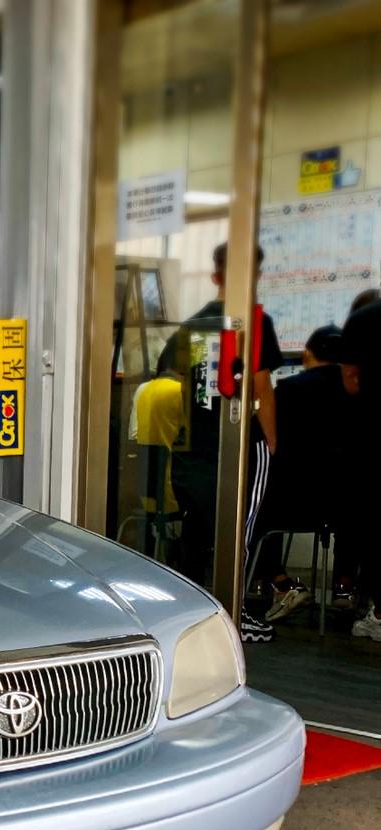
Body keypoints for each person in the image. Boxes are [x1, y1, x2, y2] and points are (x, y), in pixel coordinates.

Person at [156, 242, 284, 642]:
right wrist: (272, 442)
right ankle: (236, 611)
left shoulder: (195, 324)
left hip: (194, 447)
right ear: (256, 276)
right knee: (238, 532)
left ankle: (194, 616)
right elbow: (261, 385)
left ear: (215, 277)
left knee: (196, 532)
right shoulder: (252, 323)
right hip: (237, 446)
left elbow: (175, 382)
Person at [248, 325, 347, 622]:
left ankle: (280, 583)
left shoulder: (289, 390)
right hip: (342, 507)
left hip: (289, 503)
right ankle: (346, 590)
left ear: (306, 354)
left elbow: (260, 437)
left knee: (254, 509)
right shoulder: (354, 393)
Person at [334, 300, 381, 640]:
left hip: (372, 433)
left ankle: (379, 613)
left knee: (372, 524)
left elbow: (350, 379)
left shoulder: (364, 320)